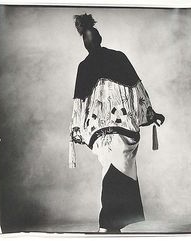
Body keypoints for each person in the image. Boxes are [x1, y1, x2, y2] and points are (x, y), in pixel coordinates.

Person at [69, 13, 165, 233]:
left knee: (119, 168)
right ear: (84, 41)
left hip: (120, 129)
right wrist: (77, 130)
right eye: (86, 37)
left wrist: (151, 114)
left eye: (92, 35)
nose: (90, 40)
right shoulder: (84, 67)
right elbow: (79, 103)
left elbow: (136, 90)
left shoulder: (118, 57)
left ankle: (113, 224)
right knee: (113, 169)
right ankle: (109, 223)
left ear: (99, 37)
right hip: (102, 133)